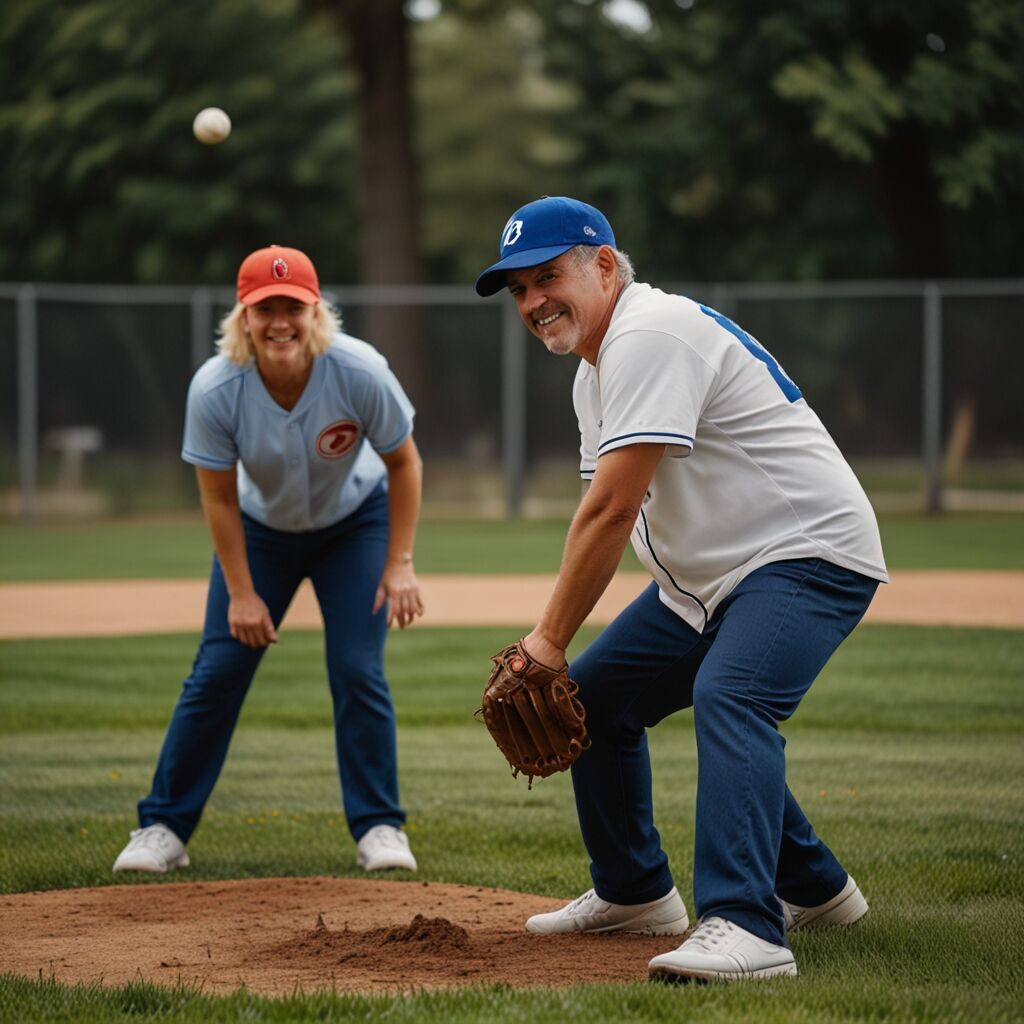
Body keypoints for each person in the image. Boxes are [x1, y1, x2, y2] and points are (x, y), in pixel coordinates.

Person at [474, 197, 888, 982]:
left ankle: (745, 925)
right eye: (519, 289)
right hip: (711, 583)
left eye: (547, 277)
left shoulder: (648, 334)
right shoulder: (595, 375)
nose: (532, 302)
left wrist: (546, 641)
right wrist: (561, 653)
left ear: (603, 263)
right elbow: (614, 510)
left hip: (803, 553)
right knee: (592, 702)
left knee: (732, 695)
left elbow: (610, 509)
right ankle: (664, 892)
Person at [113, 245, 424, 875]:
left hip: (354, 524)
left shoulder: (359, 369)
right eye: (265, 309)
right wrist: (242, 592)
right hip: (259, 530)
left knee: (357, 669)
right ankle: (164, 827)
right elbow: (220, 500)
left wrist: (400, 561)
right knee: (219, 669)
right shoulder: (215, 387)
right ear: (243, 317)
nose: (279, 321)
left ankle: (380, 827)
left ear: (316, 312)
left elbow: (405, 462)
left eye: (293, 307)